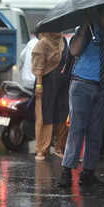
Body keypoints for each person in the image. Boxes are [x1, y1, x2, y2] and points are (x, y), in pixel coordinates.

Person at [58, 4, 104, 187]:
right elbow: (74, 51)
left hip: (103, 88)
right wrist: (85, 26)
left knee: (96, 132)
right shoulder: (86, 30)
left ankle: (88, 173)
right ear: (99, 15)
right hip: (82, 85)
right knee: (77, 129)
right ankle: (66, 171)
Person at [31, 32, 70, 160]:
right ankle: (42, 149)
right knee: (45, 114)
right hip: (46, 84)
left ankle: (59, 147)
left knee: (63, 113)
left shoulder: (63, 40)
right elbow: (38, 66)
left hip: (63, 84)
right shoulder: (43, 43)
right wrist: (39, 85)